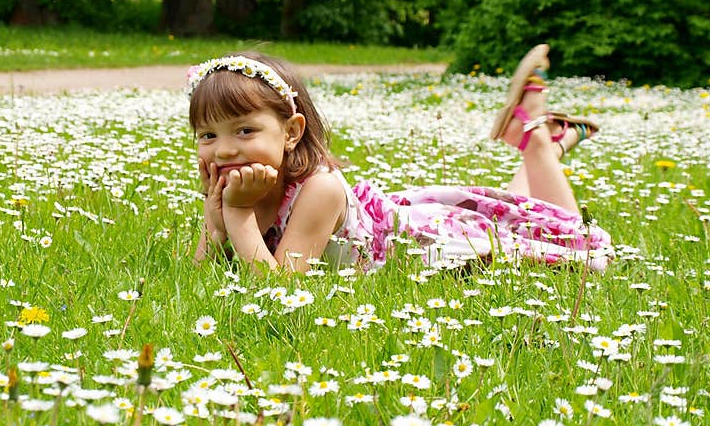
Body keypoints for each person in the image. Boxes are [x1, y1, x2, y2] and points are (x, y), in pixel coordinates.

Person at [189, 46, 613, 274]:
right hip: (386, 223)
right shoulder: (240, 184)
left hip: (413, 244)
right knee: (512, 213)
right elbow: (199, 278)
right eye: (209, 135)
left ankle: (538, 143)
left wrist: (238, 215)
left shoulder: (318, 189)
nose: (224, 149)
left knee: (556, 232)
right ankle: (538, 141)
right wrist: (215, 223)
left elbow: (279, 290)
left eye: (245, 130)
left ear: (292, 132)